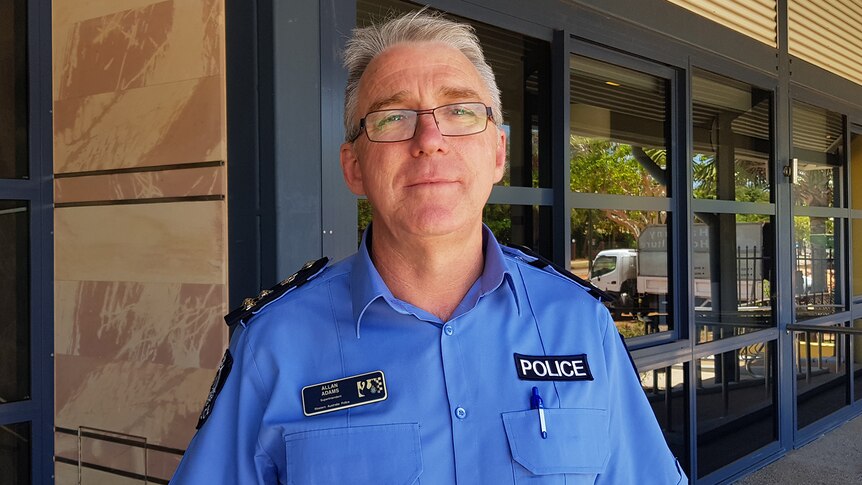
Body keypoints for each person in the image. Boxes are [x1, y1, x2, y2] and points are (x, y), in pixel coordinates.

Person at [171, 10, 686, 484]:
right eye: (393, 118)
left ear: (498, 151)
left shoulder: (579, 323)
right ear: (354, 167)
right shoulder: (274, 345)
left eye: (460, 111)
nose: (429, 138)